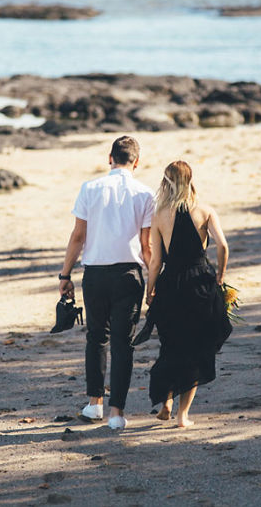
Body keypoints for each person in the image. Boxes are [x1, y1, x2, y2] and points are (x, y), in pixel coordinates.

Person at [58, 136, 155, 430]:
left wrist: (65, 275)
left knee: (96, 338)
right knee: (123, 344)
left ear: (109, 158)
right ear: (137, 162)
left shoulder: (90, 188)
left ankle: (94, 404)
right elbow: (146, 245)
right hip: (129, 275)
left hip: (95, 274)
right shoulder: (146, 193)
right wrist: (154, 282)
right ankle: (117, 414)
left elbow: (78, 237)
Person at [144, 160, 231, 428]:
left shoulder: (159, 215)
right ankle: (183, 416)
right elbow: (223, 246)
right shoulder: (205, 211)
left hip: (171, 284)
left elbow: (156, 261)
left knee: (171, 344)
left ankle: (166, 401)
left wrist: (150, 291)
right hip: (200, 284)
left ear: (166, 182)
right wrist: (220, 274)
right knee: (195, 347)